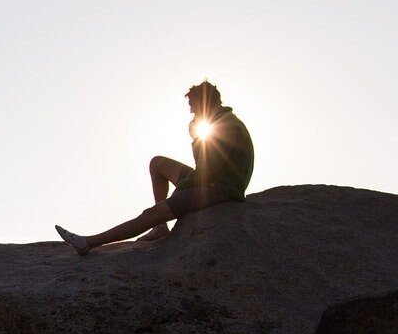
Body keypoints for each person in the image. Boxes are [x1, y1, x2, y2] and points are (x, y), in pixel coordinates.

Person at [56, 81, 255, 256]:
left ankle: (88, 243)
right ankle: (161, 228)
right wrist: (196, 139)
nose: (192, 113)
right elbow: (205, 165)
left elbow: (206, 172)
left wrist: (180, 191)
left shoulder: (226, 127)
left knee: (151, 213)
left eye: (194, 108)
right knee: (157, 163)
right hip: (213, 179)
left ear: (206, 103)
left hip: (220, 188)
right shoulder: (220, 122)